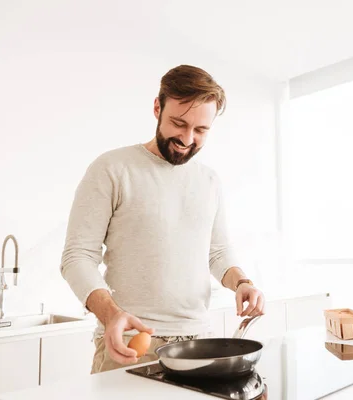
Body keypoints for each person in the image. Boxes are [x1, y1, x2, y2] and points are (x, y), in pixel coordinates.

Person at [60, 65, 265, 374]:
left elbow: (217, 252)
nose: (186, 138)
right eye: (178, 123)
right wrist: (110, 314)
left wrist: (242, 282)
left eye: (200, 130)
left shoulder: (209, 181)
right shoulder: (112, 168)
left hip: (199, 343)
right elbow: (77, 256)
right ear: (157, 107)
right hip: (131, 342)